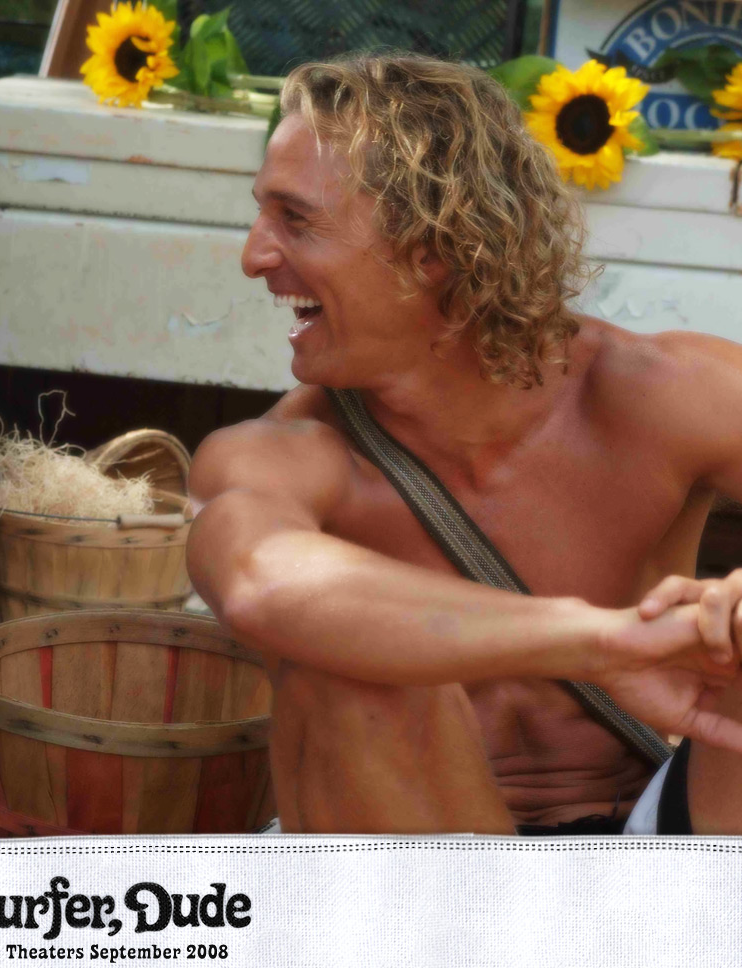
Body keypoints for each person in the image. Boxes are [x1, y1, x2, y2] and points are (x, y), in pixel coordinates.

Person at [188, 54, 742, 837]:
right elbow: (260, 584)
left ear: (433, 249)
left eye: (296, 220)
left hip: (657, 834)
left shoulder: (662, 392)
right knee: (347, 667)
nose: (255, 257)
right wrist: (601, 642)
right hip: (427, 865)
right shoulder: (281, 451)